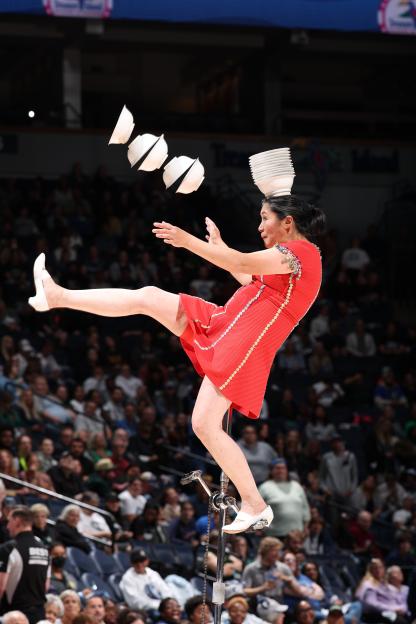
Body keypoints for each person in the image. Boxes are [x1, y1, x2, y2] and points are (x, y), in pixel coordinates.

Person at [29, 191, 324, 533]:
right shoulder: (288, 258)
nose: (260, 226)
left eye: (265, 218)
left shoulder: (301, 254)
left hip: (245, 342)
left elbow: (243, 264)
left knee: (203, 425)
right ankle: (58, 296)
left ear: (287, 222)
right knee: (149, 297)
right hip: (227, 322)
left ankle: (255, 504)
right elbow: (247, 277)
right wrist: (221, 248)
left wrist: (188, 242)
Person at [0, 506, 50, 624]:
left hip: (15, 616)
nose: (7, 527)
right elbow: (46, 586)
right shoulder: (44, 549)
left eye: (9, 521)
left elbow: (1, 586)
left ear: (17, 521)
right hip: (39, 614)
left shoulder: (8, 548)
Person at [259, 459, 311, 538]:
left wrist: (306, 527)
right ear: (272, 471)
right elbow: (257, 509)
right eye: (277, 468)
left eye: (283, 468)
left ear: (286, 470)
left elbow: (305, 509)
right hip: (274, 534)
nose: (280, 471)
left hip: (297, 535)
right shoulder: (264, 487)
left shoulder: (296, 486)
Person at [119, 548, 173, 613]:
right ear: (131, 563)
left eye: (142, 561)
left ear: (147, 561)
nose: (139, 564)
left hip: (164, 607)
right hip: (146, 611)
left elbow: (166, 590)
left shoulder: (153, 573)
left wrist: (168, 603)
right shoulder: (127, 578)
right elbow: (135, 603)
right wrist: (160, 605)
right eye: (136, 562)